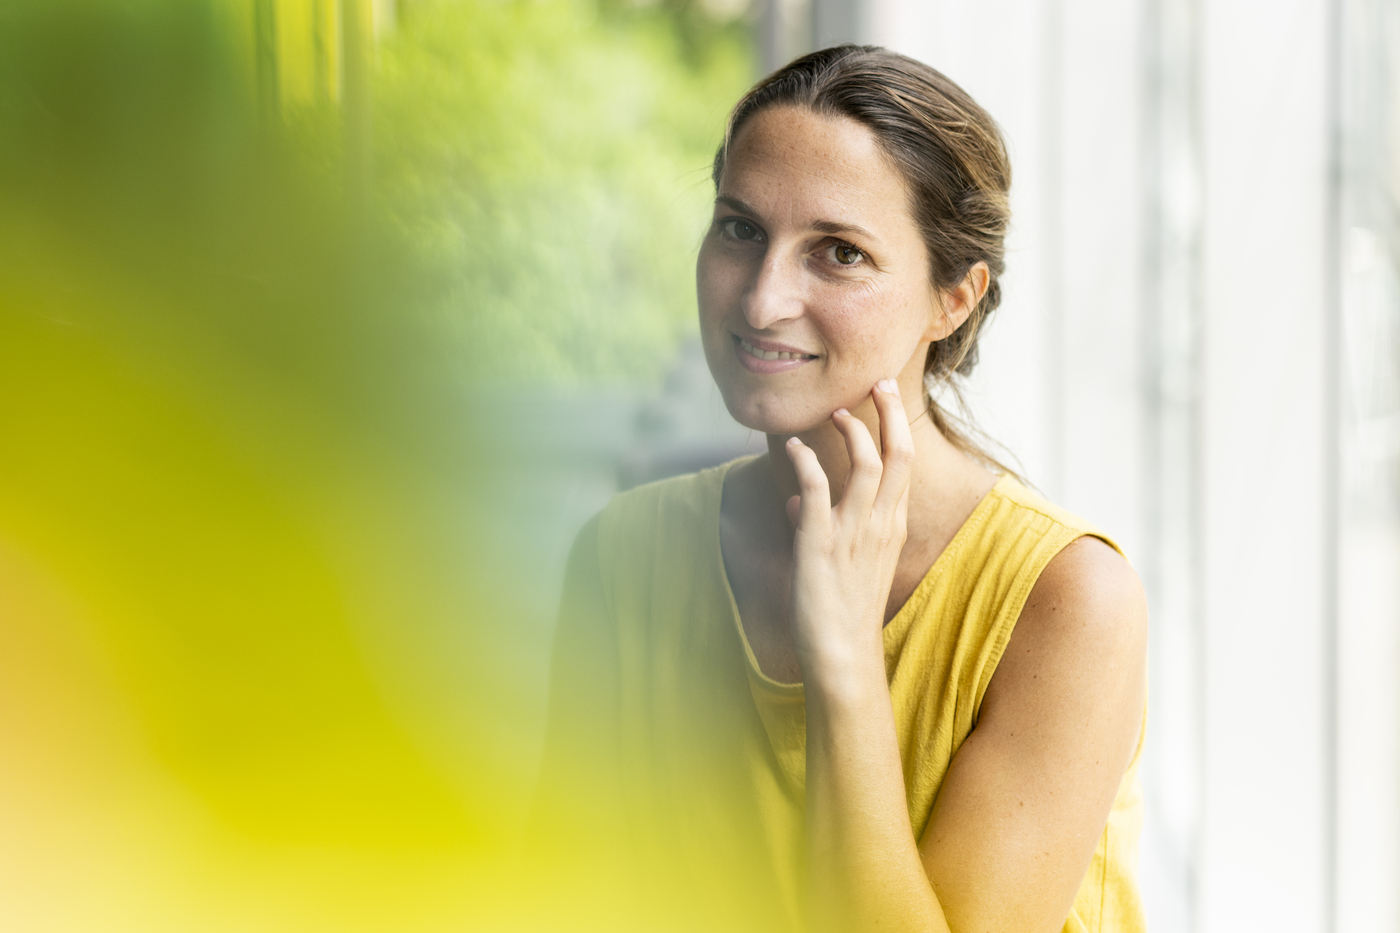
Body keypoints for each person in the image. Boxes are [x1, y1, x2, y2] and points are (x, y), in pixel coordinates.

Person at [532, 45, 1148, 933]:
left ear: (954, 300)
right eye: (740, 229)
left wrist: (846, 657)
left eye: (840, 253)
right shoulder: (624, 552)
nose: (761, 299)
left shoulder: (1069, 601)